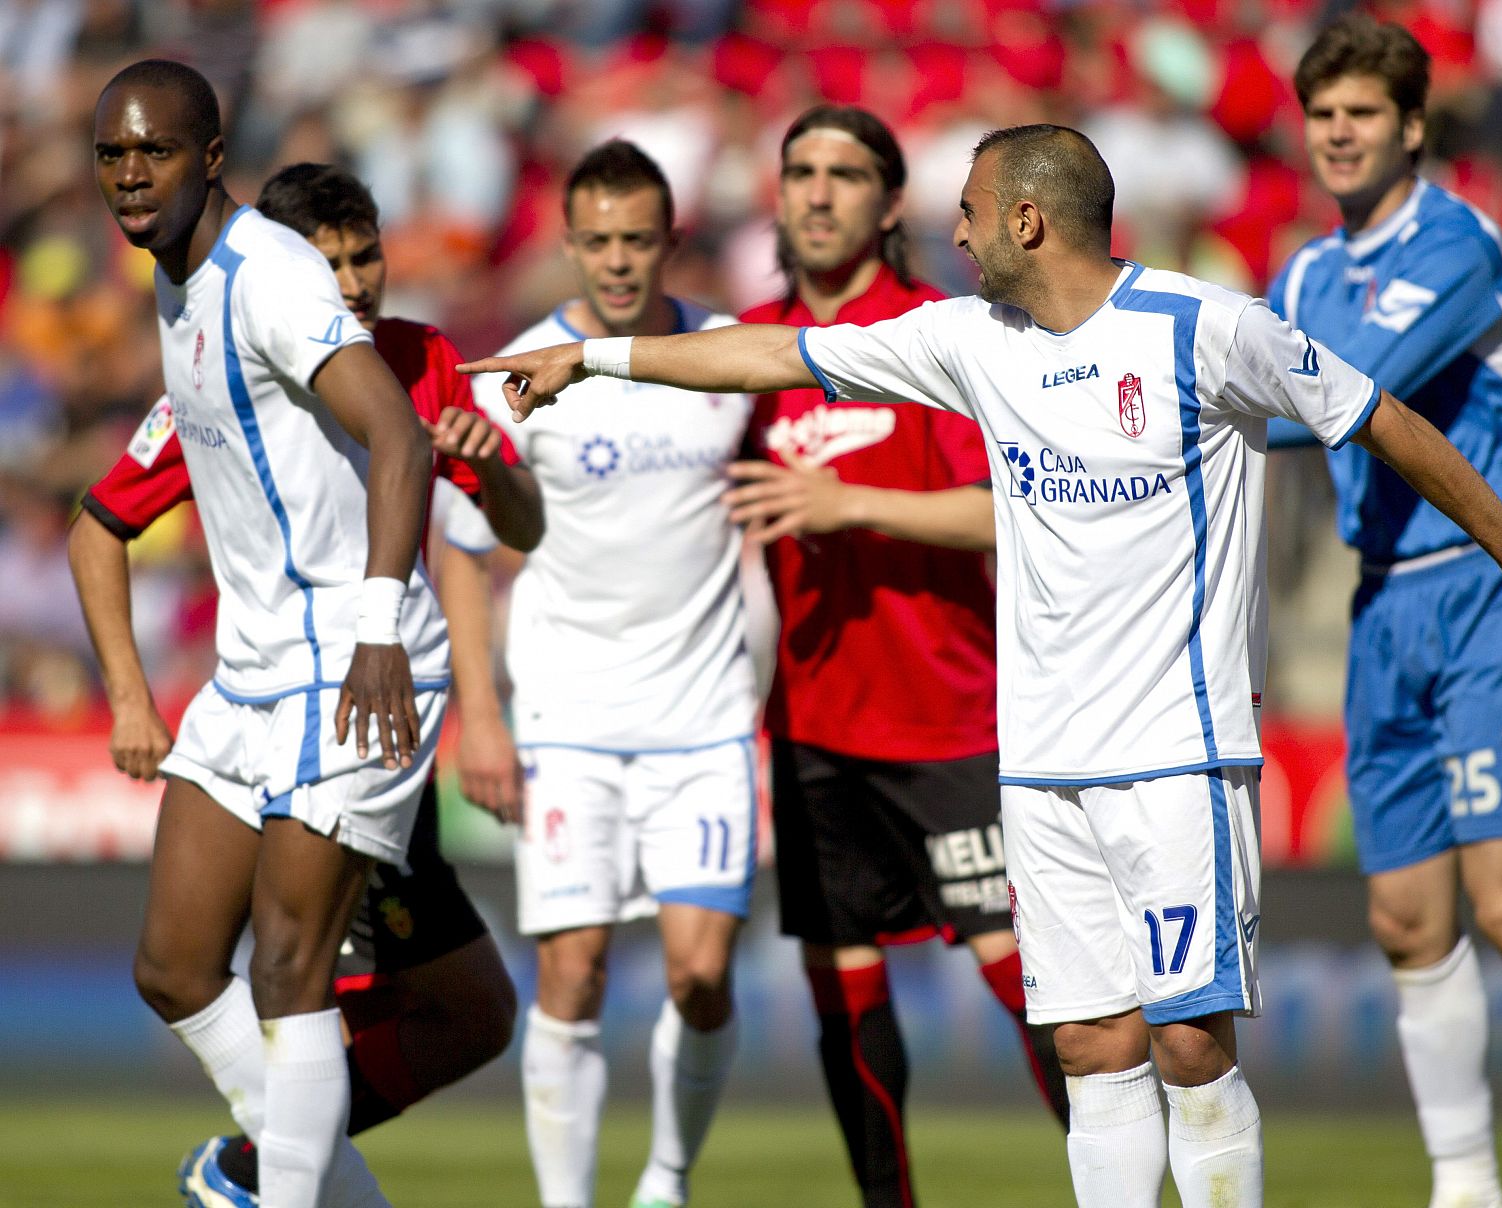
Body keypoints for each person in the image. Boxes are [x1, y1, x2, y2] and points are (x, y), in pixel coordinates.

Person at [461, 124, 1502, 1208]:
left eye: (966, 215)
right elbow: (773, 351)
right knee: (1090, 1044)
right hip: (1041, 766)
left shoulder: (1206, 330)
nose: (951, 238)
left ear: (1026, 220)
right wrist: (592, 358)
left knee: (1189, 1038)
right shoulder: (970, 340)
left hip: (1177, 754)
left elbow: (1379, 416)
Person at [70, 160, 536, 1206]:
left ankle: (265, 1171)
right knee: (234, 973)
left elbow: (521, 526)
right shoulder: (232, 347)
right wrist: (133, 696)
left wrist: (495, 466)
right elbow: (97, 525)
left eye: (367, 256)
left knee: (441, 1006)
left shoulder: (421, 361)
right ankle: (275, 1171)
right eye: (330, 265)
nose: (356, 283)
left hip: (370, 698)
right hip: (269, 693)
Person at [723, 104, 1066, 1208]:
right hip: (814, 733)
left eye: (845, 173)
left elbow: (1005, 514)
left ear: (887, 204)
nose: (818, 192)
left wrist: (844, 499)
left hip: (951, 725)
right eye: (800, 171)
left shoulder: (937, 334)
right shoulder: (754, 347)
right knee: (848, 1009)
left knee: (1043, 1002)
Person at [1268, 17, 1502, 1208]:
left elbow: (1324, 395)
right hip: (1381, 603)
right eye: (1322, 114)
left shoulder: (1457, 244)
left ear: (1412, 126)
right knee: (1402, 912)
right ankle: (1464, 1182)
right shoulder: (1302, 273)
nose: (1337, 134)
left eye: (1361, 113)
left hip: (1481, 588)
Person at [456, 140, 757, 1208]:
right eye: (599, 241)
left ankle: (667, 1176)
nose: (619, 261)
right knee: (573, 971)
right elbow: (461, 539)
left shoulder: (728, 355)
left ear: (671, 239)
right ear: (569, 242)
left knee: (701, 973)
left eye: (639, 239)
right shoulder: (517, 369)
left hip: (705, 712)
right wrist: (478, 714)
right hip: (570, 717)